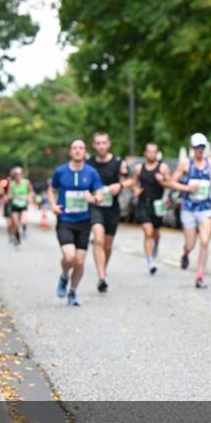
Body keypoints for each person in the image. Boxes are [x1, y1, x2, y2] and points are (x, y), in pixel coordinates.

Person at [48, 139, 104, 306]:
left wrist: (93, 198)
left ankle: (72, 292)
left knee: (79, 262)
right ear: (70, 151)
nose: (78, 151)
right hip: (65, 220)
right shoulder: (60, 172)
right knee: (70, 256)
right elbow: (52, 189)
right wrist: (53, 205)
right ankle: (64, 274)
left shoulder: (91, 172)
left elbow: (100, 194)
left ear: (85, 151)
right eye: (74, 148)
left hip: (83, 221)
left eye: (81, 148)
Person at [170, 133, 211, 288]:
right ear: (192, 148)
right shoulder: (185, 164)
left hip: (205, 207)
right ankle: (186, 254)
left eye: (203, 147)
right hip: (189, 208)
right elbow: (172, 182)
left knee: (205, 241)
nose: (200, 150)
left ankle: (200, 275)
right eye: (198, 147)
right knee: (190, 244)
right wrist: (186, 187)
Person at [87, 131, 130, 292]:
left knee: (108, 243)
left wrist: (120, 185)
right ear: (93, 145)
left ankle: (103, 268)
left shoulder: (119, 162)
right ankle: (102, 277)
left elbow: (130, 180)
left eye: (104, 143)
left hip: (112, 208)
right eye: (98, 143)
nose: (101, 146)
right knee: (98, 238)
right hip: (95, 206)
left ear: (109, 144)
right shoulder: (88, 163)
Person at [131, 142, 172, 275]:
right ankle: (150, 261)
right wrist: (135, 190)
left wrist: (162, 180)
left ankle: (157, 240)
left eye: (154, 151)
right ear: (145, 153)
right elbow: (133, 183)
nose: (151, 154)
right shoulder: (139, 168)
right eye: (149, 151)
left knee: (155, 232)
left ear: (157, 153)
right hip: (143, 203)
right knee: (147, 231)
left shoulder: (163, 167)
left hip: (158, 204)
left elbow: (170, 183)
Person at [5, 167, 33, 248]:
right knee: (16, 224)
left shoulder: (26, 182)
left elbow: (31, 191)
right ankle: (17, 241)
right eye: (16, 174)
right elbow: (9, 194)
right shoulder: (12, 184)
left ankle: (24, 230)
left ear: (22, 174)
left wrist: (29, 197)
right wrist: (11, 197)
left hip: (23, 205)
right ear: (14, 175)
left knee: (24, 221)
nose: (18, 176)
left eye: (20, 174)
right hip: (15, 206)